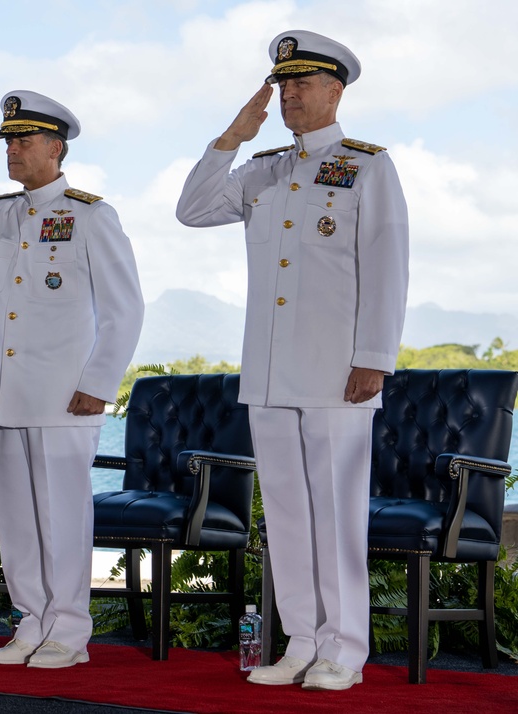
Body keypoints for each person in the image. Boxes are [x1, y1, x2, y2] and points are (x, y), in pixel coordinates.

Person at [176, 31, 409, 690]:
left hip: (340, 371)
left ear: (336, 91)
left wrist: (374, 358)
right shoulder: (264, 169)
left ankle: (344, 650)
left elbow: (387, 267)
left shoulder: (368, 166)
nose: (289, 94)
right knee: (284, 512)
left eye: (303, 83)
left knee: (336, 515)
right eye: (282, 84)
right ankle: (301, 641)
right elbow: (191, 209)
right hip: (271, 374)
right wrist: (233, 136)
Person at [0, 90, 144, 669]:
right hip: (7, 394)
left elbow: (125, 309)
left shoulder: (91, 215)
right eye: (8, 140)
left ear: (55, 147)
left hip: (66, 396)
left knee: (63, 518)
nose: (12, 149)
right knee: (17, 522)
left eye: (23, 140)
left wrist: (99, 383)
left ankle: (68, 632)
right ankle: (30, 622)